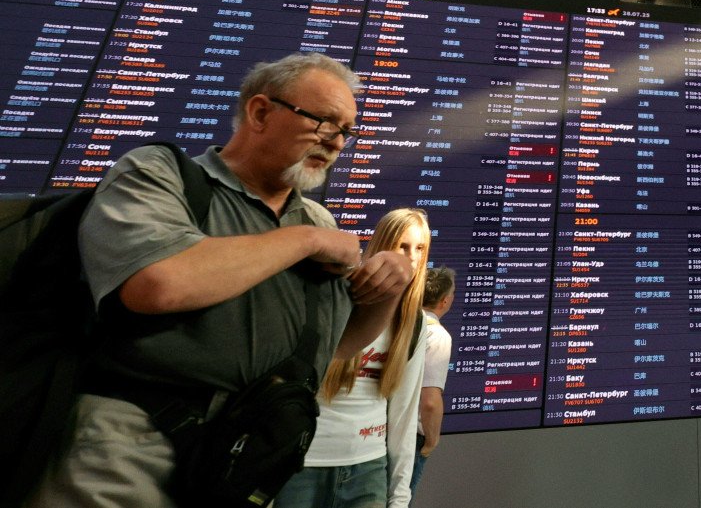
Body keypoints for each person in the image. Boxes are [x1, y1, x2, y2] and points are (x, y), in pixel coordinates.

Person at [25, 52, 413, 507]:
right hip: (129, 447)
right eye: (324, 121)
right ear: (261, 112)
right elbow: (157, 282)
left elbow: (334, 348)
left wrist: (387, 293)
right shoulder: (160, 173)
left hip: (245, 454)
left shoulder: (316, 218)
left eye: (346, 131)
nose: (336, 142)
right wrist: (304, 240)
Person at [275, 208, 431, 508]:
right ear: (383, 244)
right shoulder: (337, 299)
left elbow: (404, 414)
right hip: (302, 462)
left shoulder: (414, 323)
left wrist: (400, 496)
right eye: (403, 245)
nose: (411, 257)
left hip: (368, 467)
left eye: (420, 248)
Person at [410, 265, 456, 497]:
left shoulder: (401, 324)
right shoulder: (437, 336)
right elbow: (430, 401)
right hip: (412, 440)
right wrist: (431, 442)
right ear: (445, 301)